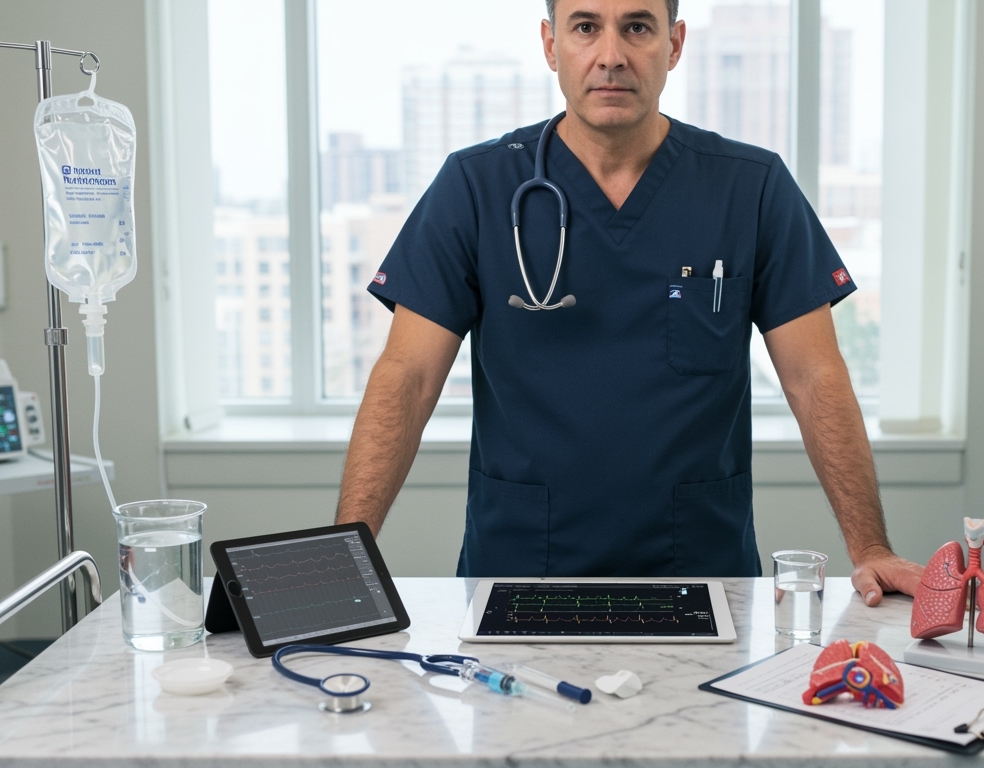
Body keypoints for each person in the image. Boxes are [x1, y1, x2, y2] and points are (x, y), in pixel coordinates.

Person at [336, 0, 921, 605]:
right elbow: (407, 376)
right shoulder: (475, 187)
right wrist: (342, 555)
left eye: (637, 27)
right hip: (517, 572)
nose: (611, 55)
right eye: (585, 27)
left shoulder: (751, 187)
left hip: (702, 575)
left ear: (674, 44)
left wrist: (870, 548)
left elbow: (814, 375)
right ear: (550, 45)